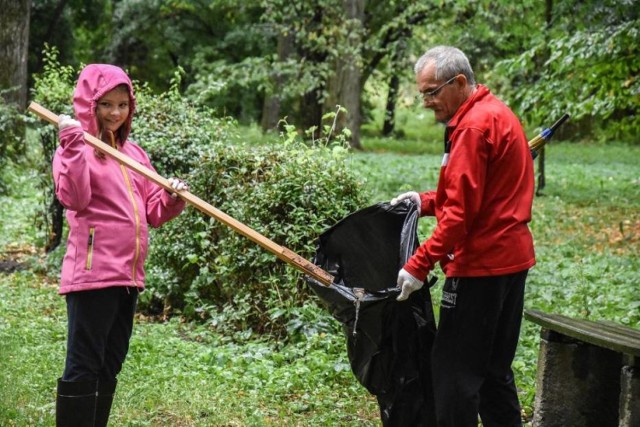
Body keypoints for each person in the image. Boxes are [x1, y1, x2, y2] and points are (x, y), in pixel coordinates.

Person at [391, 46, 535, 426]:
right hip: (512, 262)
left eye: (431, 92)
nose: (426, 103)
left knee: (454, 374)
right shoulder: (495, 114)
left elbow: (459, 217)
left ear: (458, 83)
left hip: (481, 268)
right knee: (493, 372)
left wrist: (417, 265)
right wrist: (422, 202)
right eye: (422, 93)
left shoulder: (472, 127)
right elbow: (477, 196)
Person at [53, 64, 189, 427]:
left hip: (129, 277)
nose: (115, 113)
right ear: (90, 105)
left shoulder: (136, 154)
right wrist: (72, 146)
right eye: (107, 104)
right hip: (94, 274)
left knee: (110, 363)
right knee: (84, 363)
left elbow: (152, 213)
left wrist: (173, 196)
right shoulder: (76, 148)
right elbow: (75, 198)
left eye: (123, 105)